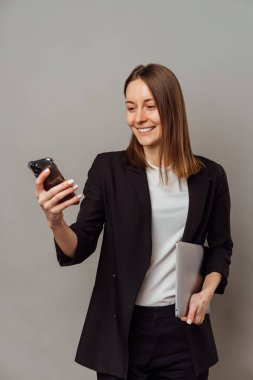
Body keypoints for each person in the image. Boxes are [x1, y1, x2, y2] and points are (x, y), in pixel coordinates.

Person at [34, 63, 233, 380]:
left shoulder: (210, 176)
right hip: (122, 331)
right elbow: (80, 244)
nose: (138, 118)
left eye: (150, 107)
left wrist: (205, 293)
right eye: (130, 107)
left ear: (172, 109)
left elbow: (221, 247)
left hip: (184, 332)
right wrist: (56, 221)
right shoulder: (107, 168)